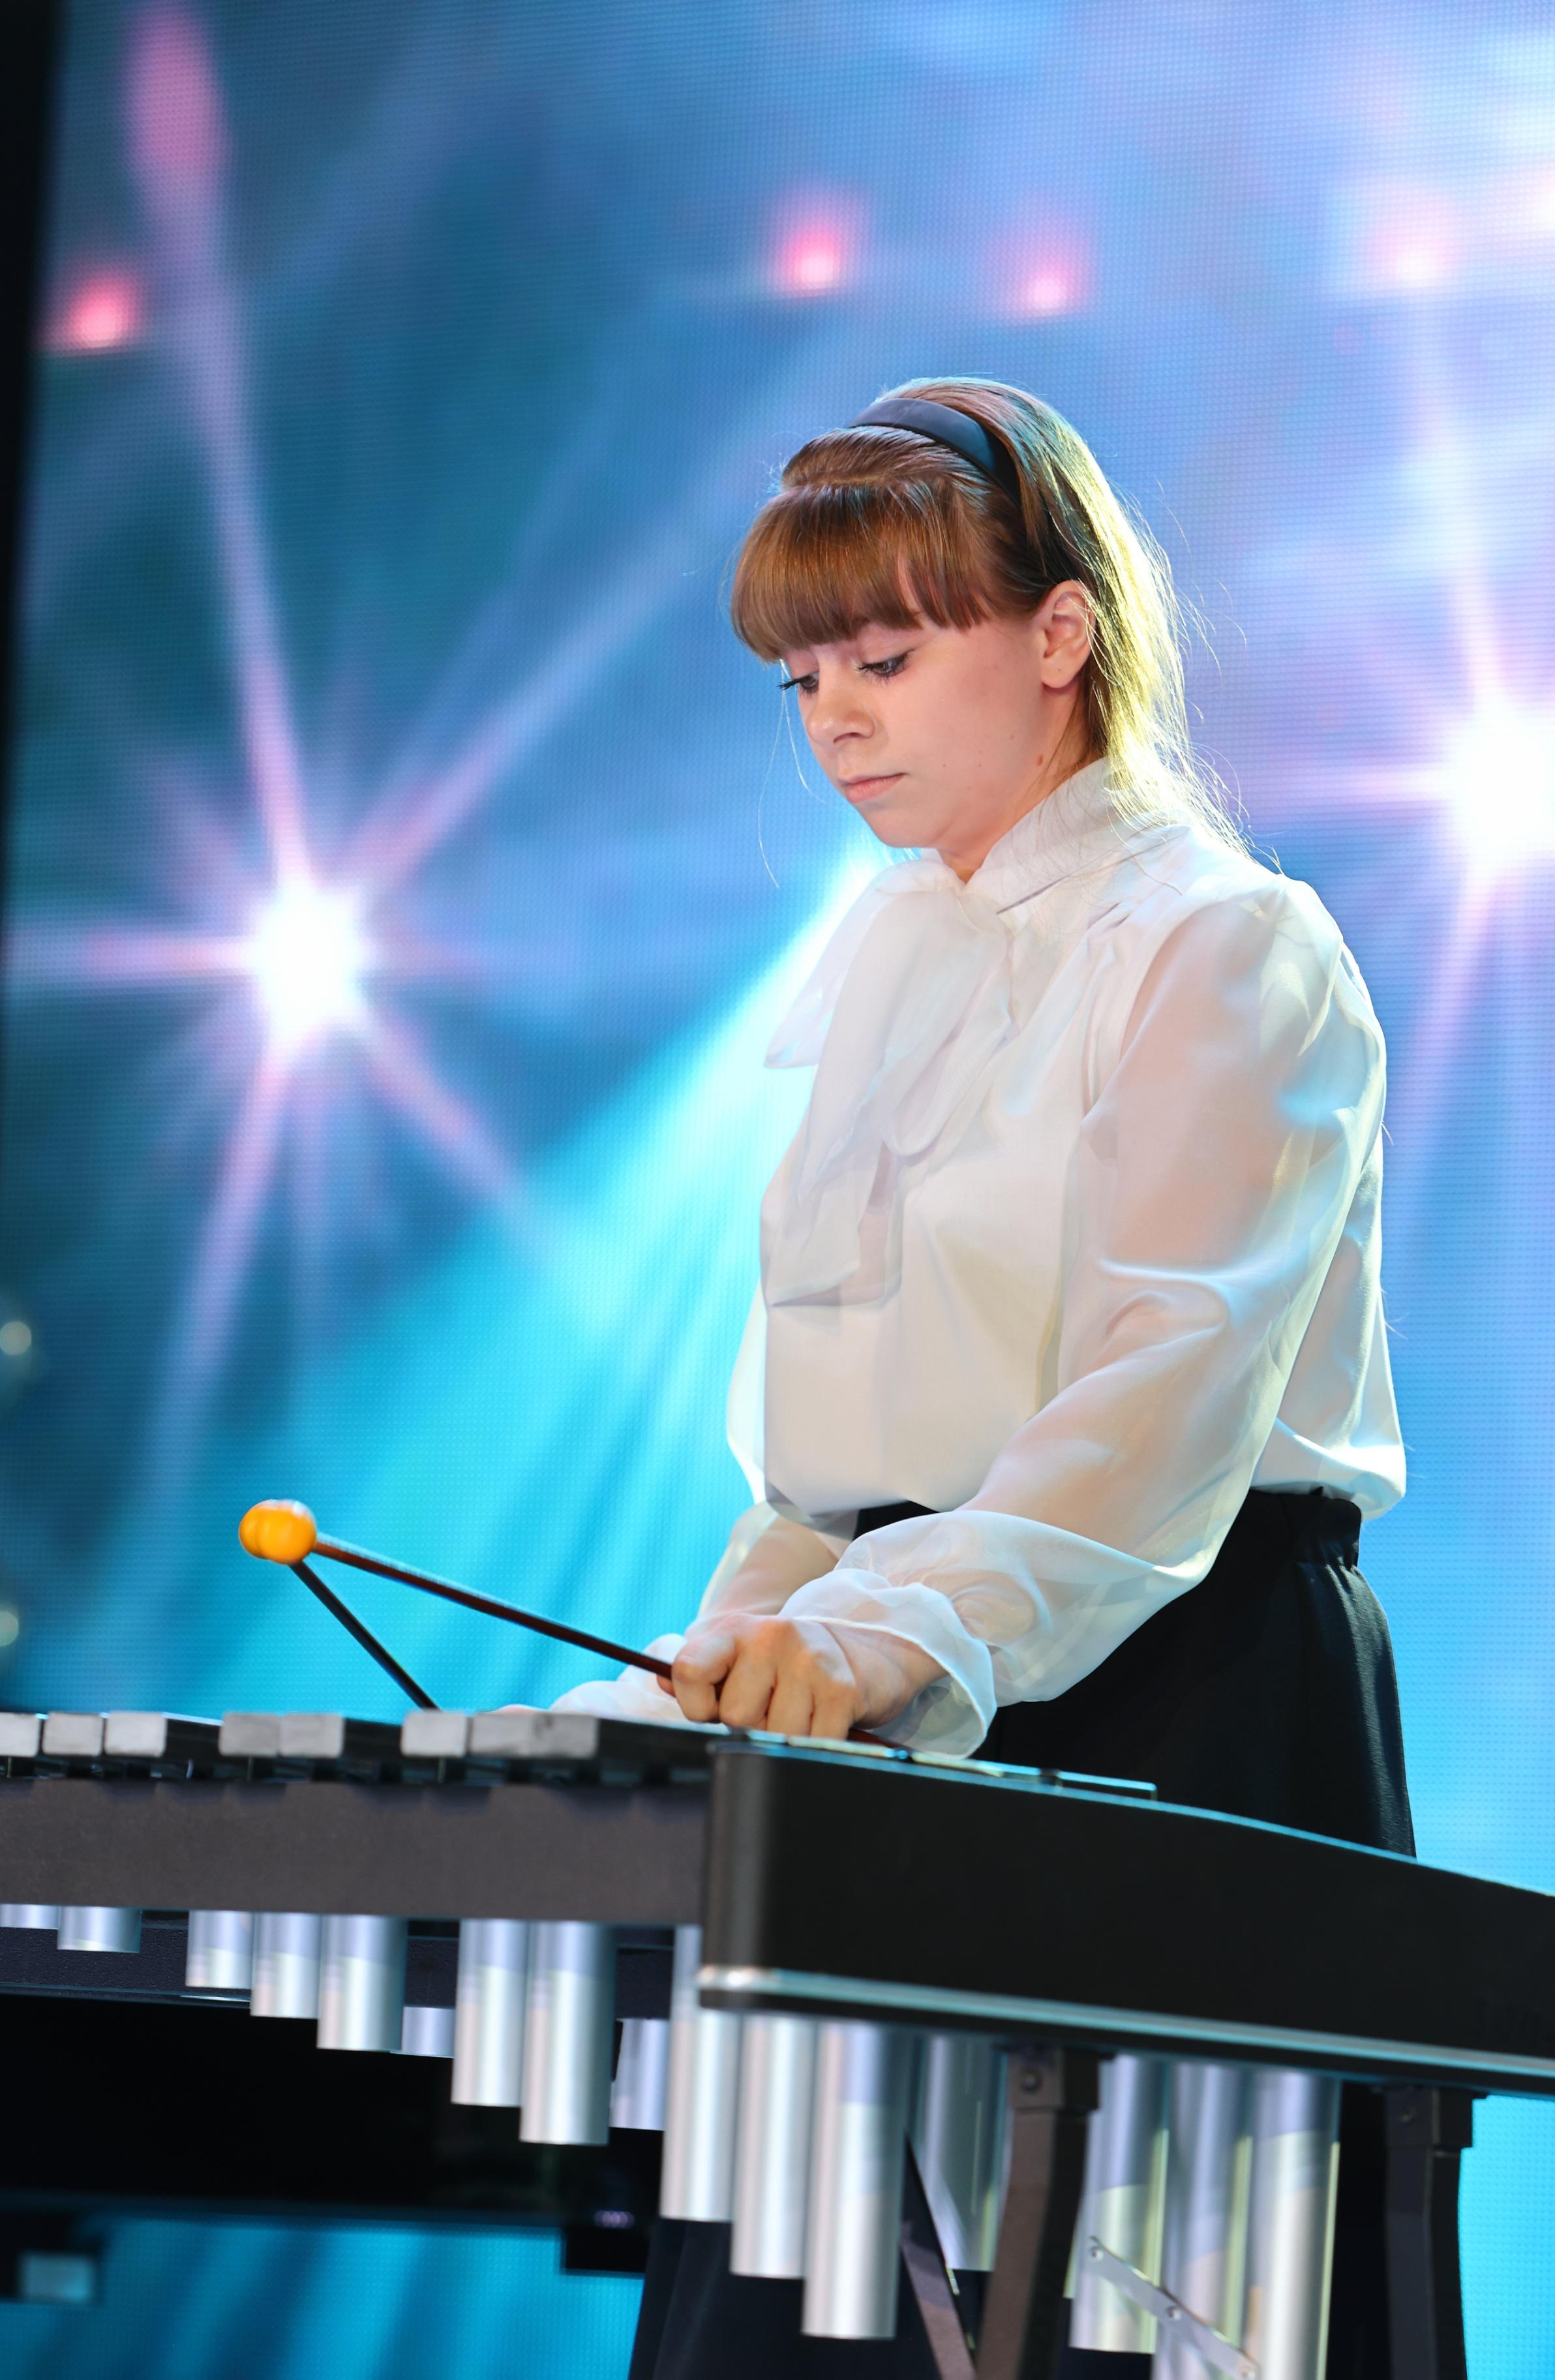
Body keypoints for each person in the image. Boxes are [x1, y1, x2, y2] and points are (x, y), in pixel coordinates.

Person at [560, 378, 1412, 2379]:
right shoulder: (877, 958)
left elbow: (1155, 1411)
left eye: (884, 658)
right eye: (800, 680)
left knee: (1120, 2325)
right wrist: (719, 1665)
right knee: (791, 2324)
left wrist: (868, 1645)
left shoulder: (1227, 942)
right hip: (891, 1686)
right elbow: (832, 1465)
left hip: (1182, 1687)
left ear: (1058, 635)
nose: (834, 720)